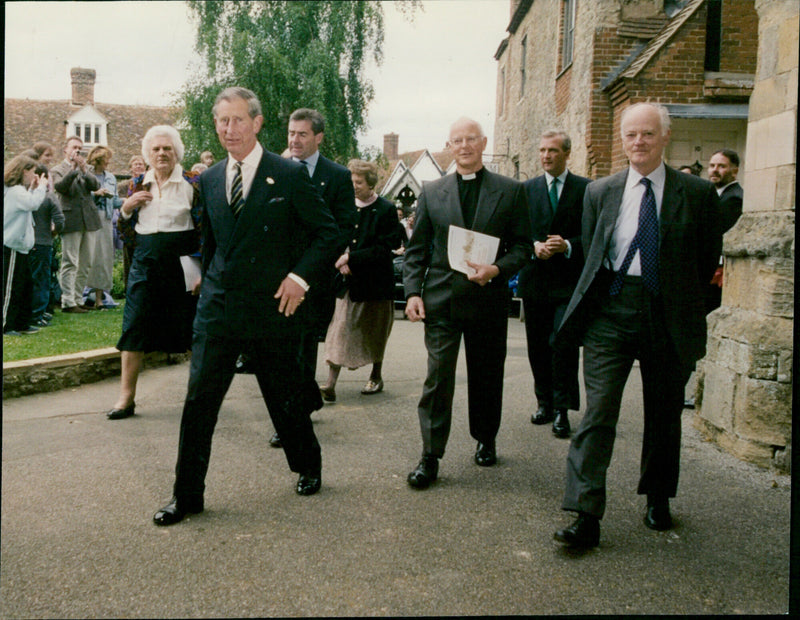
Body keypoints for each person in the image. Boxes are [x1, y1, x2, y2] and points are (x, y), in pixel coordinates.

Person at [152, 87, 339, 526]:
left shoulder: (289, 176)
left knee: (284, 399)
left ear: (257, 123)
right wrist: (200, 283)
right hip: (218, 310)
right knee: (199, 401)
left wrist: (299, 278)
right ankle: (187, 495)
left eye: (238, 121)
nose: (229, 130)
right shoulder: (212, 178)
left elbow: (327, 234)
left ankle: (307, 463)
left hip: (271, 309)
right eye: (222, 121)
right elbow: (214, 242)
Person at [552, 102, 722, 549]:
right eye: (631, 135)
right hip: (611, 311)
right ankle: (584, 514)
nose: (638, 142)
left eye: (647, 134)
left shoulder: (699, 194)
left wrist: (680, 302)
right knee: (598, 413)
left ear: (665, 137)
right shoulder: (600, 192)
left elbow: (705, 261)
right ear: (622, 140)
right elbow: (592, 253)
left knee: (664, 414)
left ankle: (658, 496)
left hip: (668, 312)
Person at [402, 117, 532, 489]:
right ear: (450, 145)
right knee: (437, 379)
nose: (464, 146)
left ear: (483, 142)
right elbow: (417, 251)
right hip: (442, 300)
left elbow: (524, 247)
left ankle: (485, 437)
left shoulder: (510, 191)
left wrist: (497, 269)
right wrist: (412, 292)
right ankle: (430, 455)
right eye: (457, 140)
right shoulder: (433, 191)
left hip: (487, 300)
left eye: (471, 139)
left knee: (487, 376)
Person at [264, 107, 356, 448]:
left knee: (301, 351)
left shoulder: (336, 176)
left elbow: (344, 226)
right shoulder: (275, 170)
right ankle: (303, 403)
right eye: (291, 133)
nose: (294, 140)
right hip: (278, 278)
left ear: (318, 137)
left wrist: (315, 265)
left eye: (302, 134)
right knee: (282, 352)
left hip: (313, 279)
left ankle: (292, 420)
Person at [107, 126, 202, 421]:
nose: (162, 154)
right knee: (134, 325)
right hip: (145, 262)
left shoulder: (194, 183)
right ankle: (126, 398)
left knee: (193, 330)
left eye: (167, 149)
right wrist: (125, 210)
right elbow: (123, 231)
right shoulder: (136, 183)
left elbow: (208, 230)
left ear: (177, 152)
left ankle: (199, 398)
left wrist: (203, 269)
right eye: (156, 149)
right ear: (148, 154)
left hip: (184, 262)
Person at [518, 131, 590, 438]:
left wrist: (569, 246)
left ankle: (562, 410)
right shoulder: (526, 190)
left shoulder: (586, 190)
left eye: (553, 151)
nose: (546, 156)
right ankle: (544, 402)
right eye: (542, 150)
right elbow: (516, 232)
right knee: (537, 345)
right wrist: (533, 245)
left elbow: (595, 236)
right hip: (535, 280)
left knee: (562, 343)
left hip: (568, 284)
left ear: (567, 154)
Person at [320, 159, 399, 400]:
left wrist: (351, 259)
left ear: (371, 183)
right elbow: (333, 237)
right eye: (351, 181)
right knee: (339, 329)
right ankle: (330, 385)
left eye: (359, 182)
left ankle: (376, 376)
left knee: (375, 331)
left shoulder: (385, 209)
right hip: (347, 284)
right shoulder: (343, 207)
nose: (354, 186)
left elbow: (389, 246)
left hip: (376, 284)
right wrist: (340, 260)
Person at [50, 136, 101, 314]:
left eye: (80, 148)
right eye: (74, 148)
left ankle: (78, 298)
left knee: (86, 263)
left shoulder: (88, 168)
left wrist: (84, 170)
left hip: (89, 220)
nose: (78, 151)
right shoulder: (57, 169)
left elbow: (95, 186)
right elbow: (61, 188)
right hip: (70, 220)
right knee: (70, 261)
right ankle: (67, 301)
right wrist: (72, 170)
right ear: (66, 150)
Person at [3, 155, 48, 335]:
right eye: (32, 172)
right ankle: (6, 325)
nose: (34, 176)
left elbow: (28, 201)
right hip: (11, 245)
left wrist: (33, 189)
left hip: (21, 247)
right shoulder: (14, 191)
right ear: (24, 171)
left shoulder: (19, 191)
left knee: (24, 286)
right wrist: (42, 188)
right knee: (10, 287)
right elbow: (33, 203)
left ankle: (22, 322)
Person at [84, 146, 123, 309]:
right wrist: (97, 193)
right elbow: (80, 196)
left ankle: (99, 299)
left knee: (104, 257)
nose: (109, 162)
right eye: (106, 158)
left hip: (106, 219)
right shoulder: (86, 175)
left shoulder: (111, 178)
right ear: (99, 159)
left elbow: (114, 201)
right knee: (88, 256)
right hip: (89, 218)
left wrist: (128, 201)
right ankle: (82, 297)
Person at [29, 164, 65, 327]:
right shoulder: (49, 197)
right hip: (43, 242)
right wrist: (55, 231)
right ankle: (38, 313)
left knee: (28, 279)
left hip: (26, 242)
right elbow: (60, 220)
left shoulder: (24, 194)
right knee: (42, 279)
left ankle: (29, 311)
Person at [118, 155, 148, 288]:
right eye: (135, 164)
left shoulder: (149, 183)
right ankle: (128, 288)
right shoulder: (124, 185)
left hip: (145, 224)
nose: (138, 166)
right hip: (129, 225)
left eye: (140, 164)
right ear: (130, 168)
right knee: (129, 259)